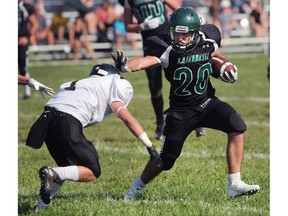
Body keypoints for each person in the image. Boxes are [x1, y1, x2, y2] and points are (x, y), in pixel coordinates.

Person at [111, 7, 260, 200]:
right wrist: (126, 65)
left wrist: (226, 67)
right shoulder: (166, 48)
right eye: (176, 33)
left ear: (196, 32)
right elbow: (143, 62)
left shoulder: (209, 38)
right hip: (180, 112)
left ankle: (234, 184)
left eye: (184, 34)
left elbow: (216, 56)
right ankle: (135, 189)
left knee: (237, 125)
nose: (179, 38)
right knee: (165, 161)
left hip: (207, 103)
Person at [26, 64, 160, 211]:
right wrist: (150, 146)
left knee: (67, 167)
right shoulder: (113, 83)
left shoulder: (78, 83)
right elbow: (127, 119)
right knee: (92, 171)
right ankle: (52, 173)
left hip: (45, 120)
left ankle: (40, 207)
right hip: (67, 120)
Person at [121, 0, 181, 140]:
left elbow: (178, 9)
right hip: (150, 44)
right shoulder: (129, 1)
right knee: (155, 89)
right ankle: (160, 123)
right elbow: (128, 26)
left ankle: (194, 119)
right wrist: (142, 25)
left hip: (168, 40)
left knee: (181, 79)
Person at [18, 0, 38, 99]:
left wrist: (27, 36)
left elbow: (35, 24)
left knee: (23, 67)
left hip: (21, 42)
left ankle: (27, 91)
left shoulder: (25, 7)